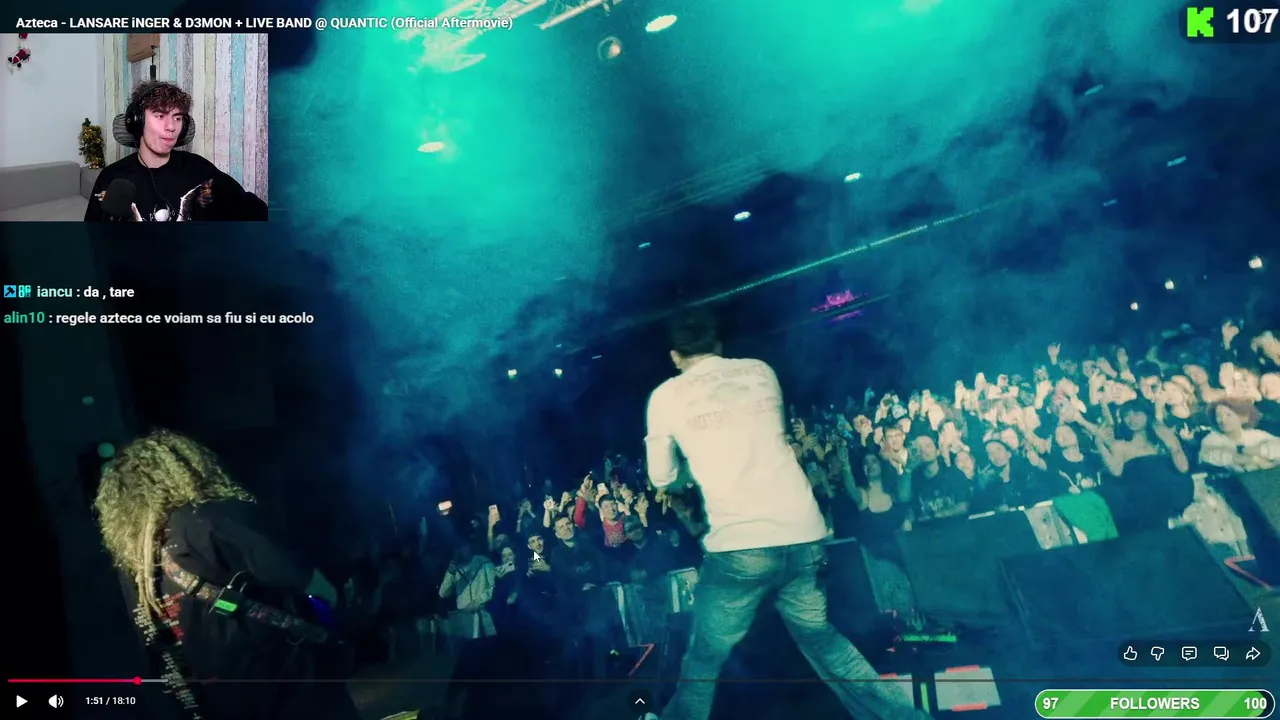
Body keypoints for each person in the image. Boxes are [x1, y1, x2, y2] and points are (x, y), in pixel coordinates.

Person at [640, 308, 929, 720]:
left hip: (742, 546)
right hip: (803, 532)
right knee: (823, 641)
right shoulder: (760, 371)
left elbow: (662, 476)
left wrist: (689, 471)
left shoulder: (666, 397)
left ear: (674, 356)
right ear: (718, 344)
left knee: (705, 655)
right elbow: (759, 438)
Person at [91, 430, 359, 720]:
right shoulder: (210, 517)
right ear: (185, 466)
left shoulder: (135, 565)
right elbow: (301, 576)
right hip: (279, 685)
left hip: (209, 702)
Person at [85, 81, 267, 222]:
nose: (171, 126)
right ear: (137, 122)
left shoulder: (199, 169)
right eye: (160, 116)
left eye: (177, 118)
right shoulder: (111, 178)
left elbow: (254, 212)